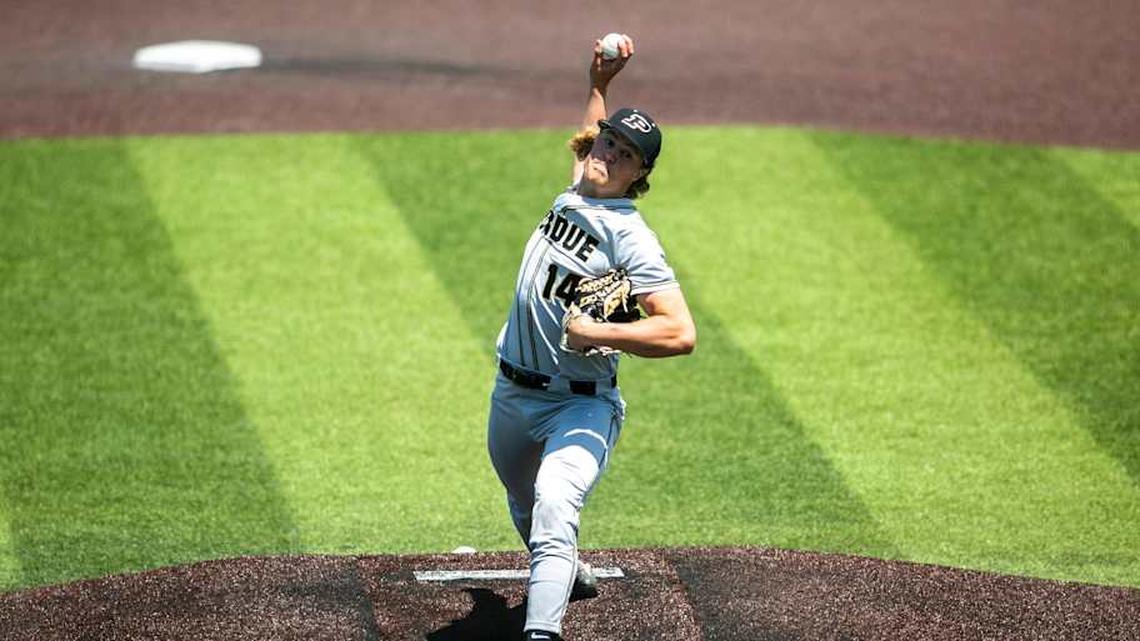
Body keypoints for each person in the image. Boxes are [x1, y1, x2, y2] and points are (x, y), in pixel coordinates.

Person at [487, 34, 696, 641]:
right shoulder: (579, 186)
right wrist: (599, 84)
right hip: (511, 392)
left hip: (580, 401)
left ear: (641, 175)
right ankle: (564, 568)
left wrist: (598, 331)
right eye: (609, 140)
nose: (609, 152)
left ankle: (542, 632)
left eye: (626, 152)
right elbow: (590, 140)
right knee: (524, 505)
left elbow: (680, 331)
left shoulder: (631, 237)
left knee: (555, 506)